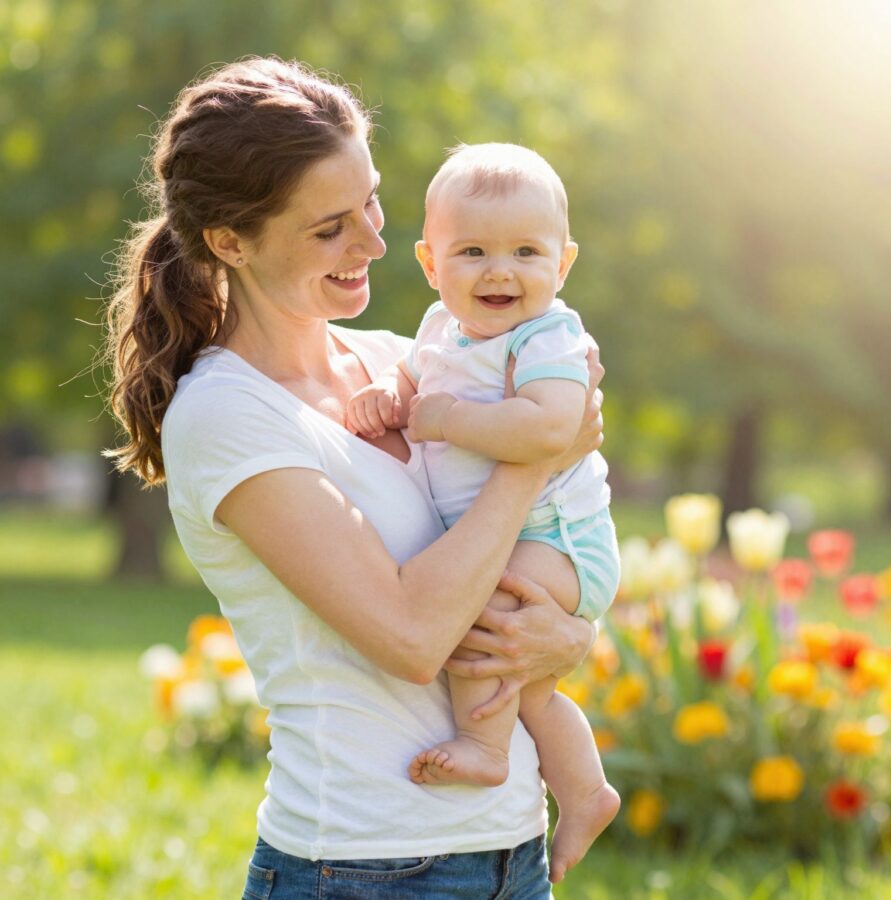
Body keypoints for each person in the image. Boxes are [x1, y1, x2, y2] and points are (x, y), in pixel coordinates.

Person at [103, 57, 604, 898]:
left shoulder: (409, 361)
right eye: (330, 227)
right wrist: (534, 455)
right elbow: (413, 638)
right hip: (361, 866)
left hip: (512, 851)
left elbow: (543, 546)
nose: (373, 242)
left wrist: (572, 638)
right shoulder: (227, 415)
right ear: (230, 242)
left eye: (370, 201)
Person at [342, 143, 620, 876]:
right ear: (431, 264)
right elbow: (413, 382)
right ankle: (585, 792)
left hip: (559, 537)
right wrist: (389, 398)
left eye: (527, 252)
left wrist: (448, 421)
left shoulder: (547, 336)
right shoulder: (441, 328)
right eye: (473, 252)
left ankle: (486, 749)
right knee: (530, 685)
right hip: (518, 533)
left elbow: (552, 428)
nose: (500, 271)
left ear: (563, 264)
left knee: (484, 620)